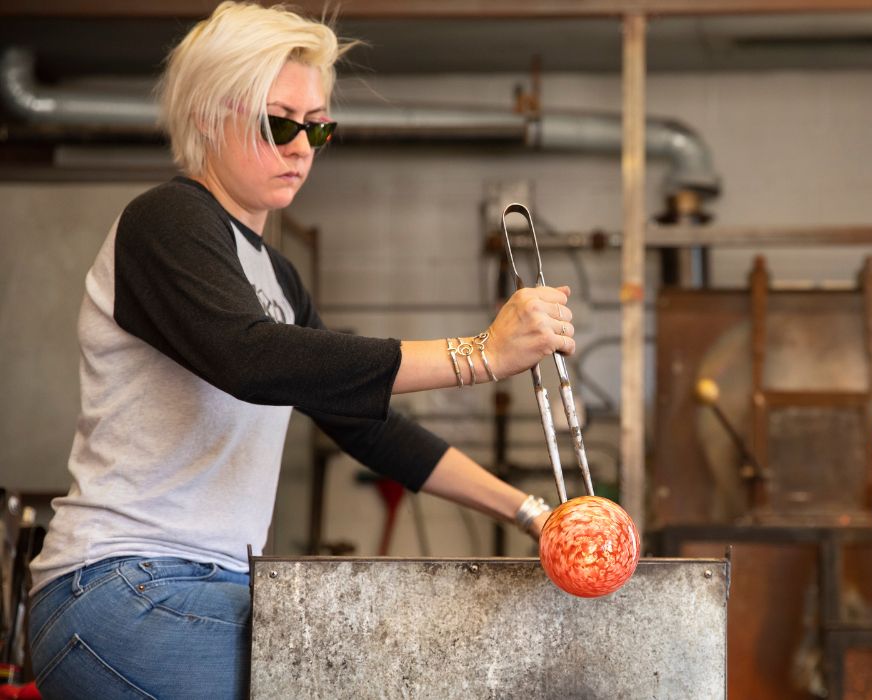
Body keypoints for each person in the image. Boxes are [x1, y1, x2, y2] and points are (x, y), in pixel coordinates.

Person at [25, 3, 575, 698]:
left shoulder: (276, 277)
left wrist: (535, 515)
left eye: (317, 125)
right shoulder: (165, 221)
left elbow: (366, 424)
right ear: (207, 118)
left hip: (215, 584)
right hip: (119, 587)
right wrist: (482, 354)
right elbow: (252, 360)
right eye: (279, 121)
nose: (301, 147)